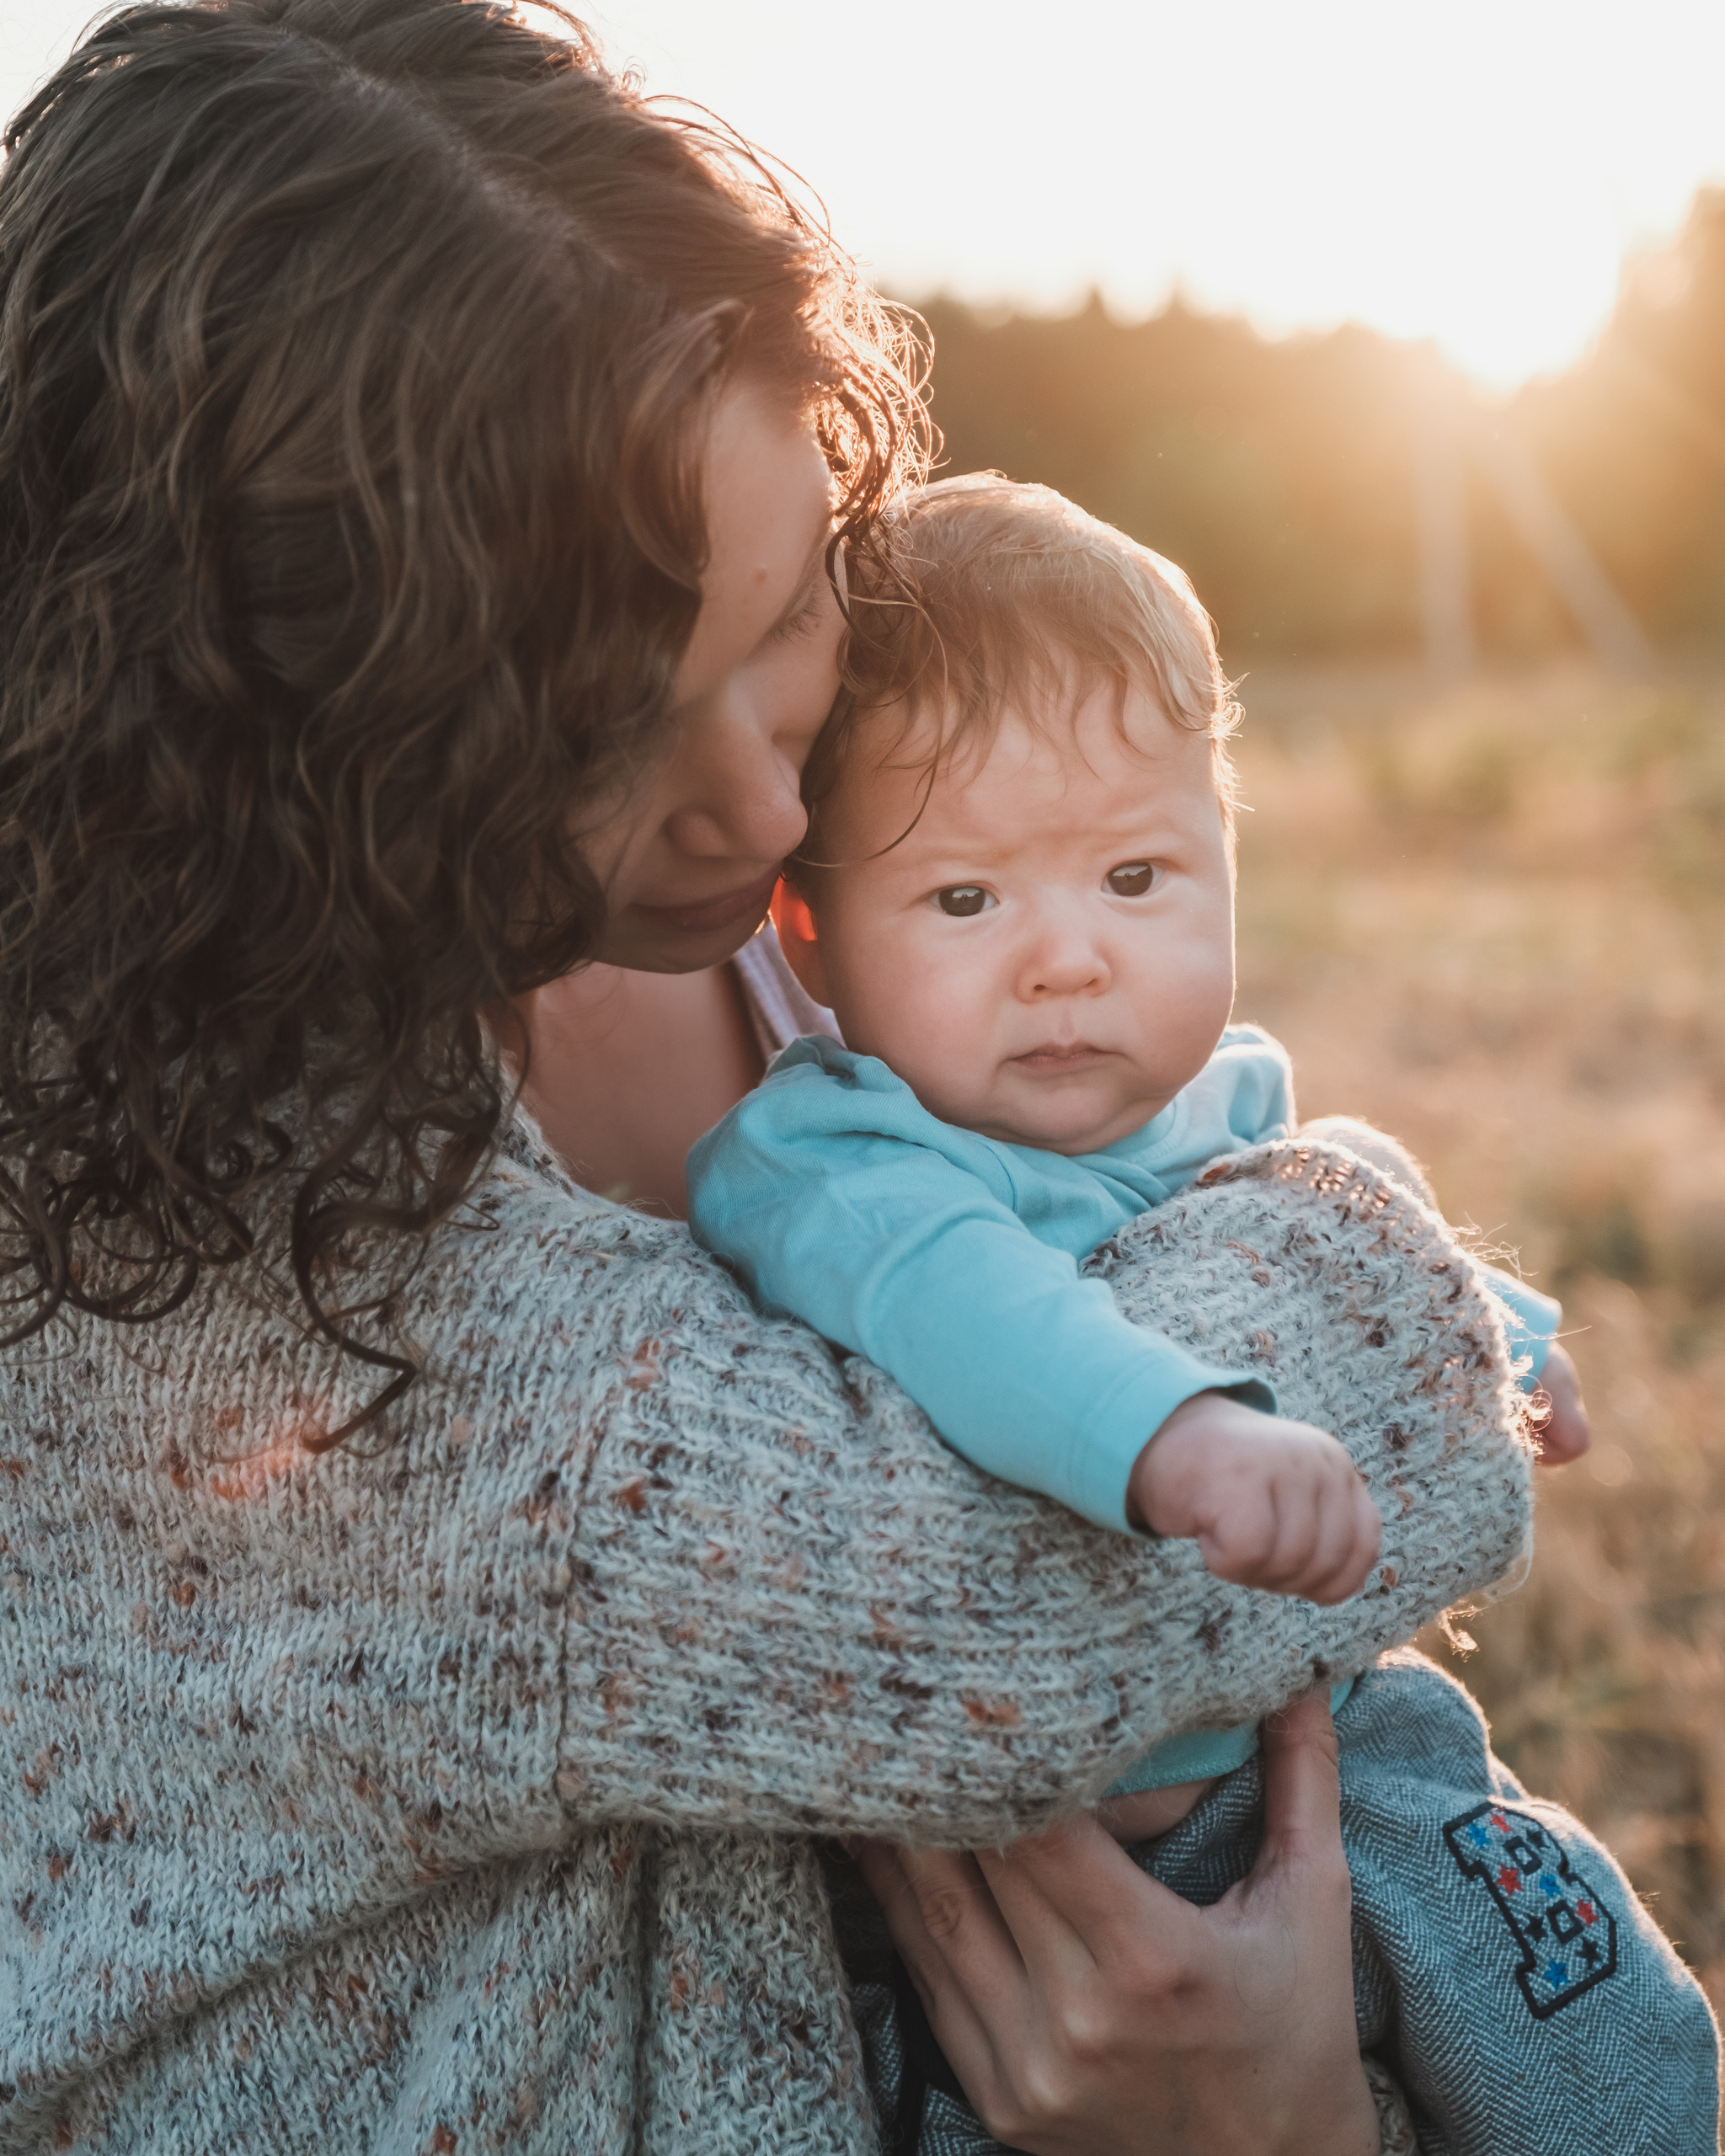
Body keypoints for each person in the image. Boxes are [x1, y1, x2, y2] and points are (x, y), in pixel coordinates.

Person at [0, 5, 1590, 2152]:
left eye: (786, 618)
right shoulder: (206, 1246)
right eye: (600, 731)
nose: (769, 795)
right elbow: (1020, 1616)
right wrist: (1384, 1244)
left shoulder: (755, 910)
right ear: (304, 751)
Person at [686, 476, 1721, 2153]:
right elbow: (975, 1312)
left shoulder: (1225, 1096)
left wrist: (1500, 1346)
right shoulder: (835, 1154)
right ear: (806, 927)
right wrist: (1175, 1428)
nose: (1067, 956)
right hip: (1042, 1869)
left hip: (1341, 1733)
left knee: (1589, 2012)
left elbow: (1339, 1229)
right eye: (966, 899)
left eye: (1136, 872)